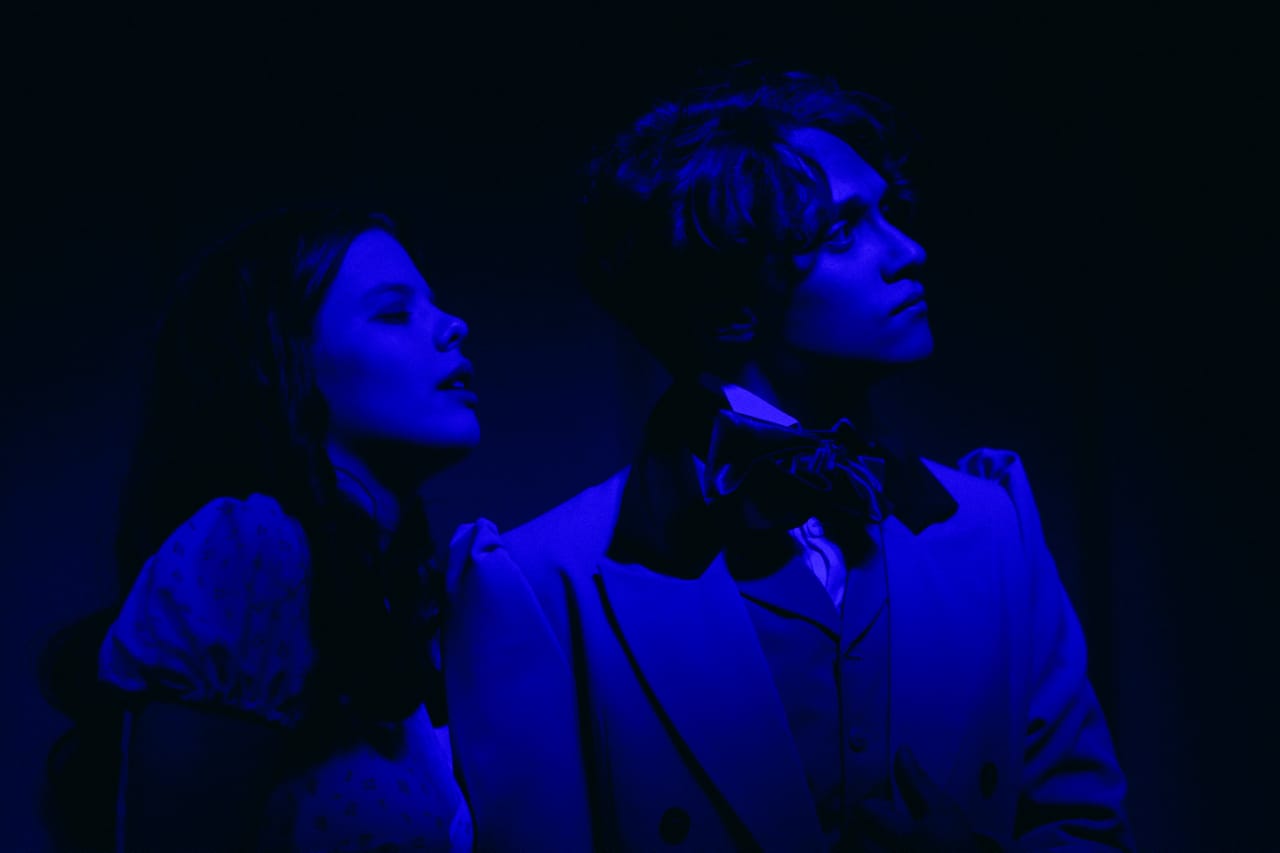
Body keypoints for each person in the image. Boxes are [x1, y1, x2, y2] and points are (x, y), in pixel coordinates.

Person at [450, 70, 1135, 850]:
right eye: (843, 231)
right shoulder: (542, 583)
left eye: (890, 214)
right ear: (727, 308)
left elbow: (1089, 829)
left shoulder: (991, 529)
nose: (909, 252)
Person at [42, 208, 500, 852]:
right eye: (394, 313)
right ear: (284, 360)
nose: (454, 326)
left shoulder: (394, 599)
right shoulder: (250, 551)